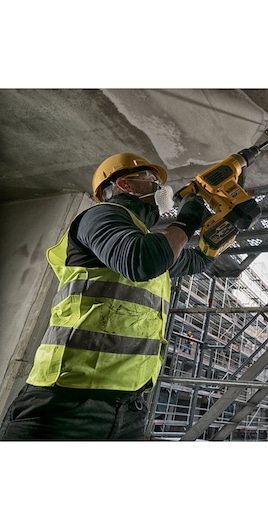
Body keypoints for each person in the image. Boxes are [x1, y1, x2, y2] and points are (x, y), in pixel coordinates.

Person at [0, 152, 213, 441]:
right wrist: (187, 223)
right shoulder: (101, 217)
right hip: (66, 404)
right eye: (153, 180)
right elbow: (142, 261)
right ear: (125, 184)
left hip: (130, 408)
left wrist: (229, 224)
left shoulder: (148, 241)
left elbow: (198, 260)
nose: (162, 190)